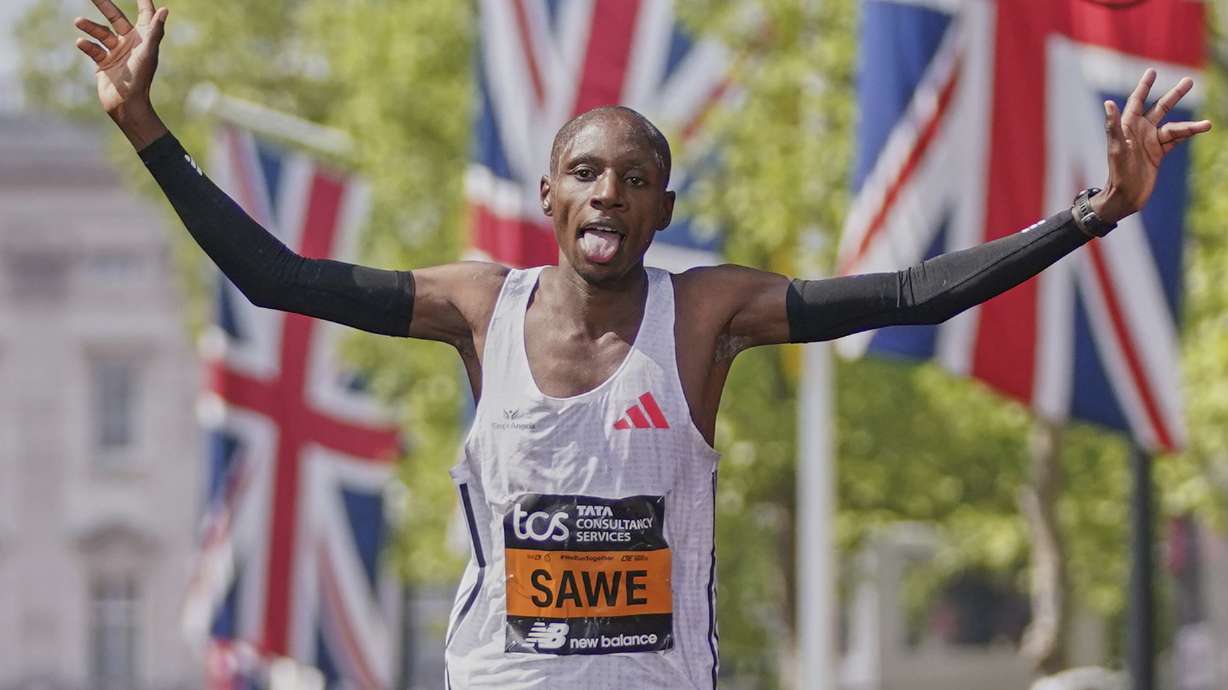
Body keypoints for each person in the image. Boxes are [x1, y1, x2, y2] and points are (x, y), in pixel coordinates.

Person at [73, 1, 1210, 687]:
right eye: (584, 173)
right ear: (546, 197)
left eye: (635, 178)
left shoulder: (707, 315)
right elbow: (279, 281)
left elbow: (913, 292)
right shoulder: (479, 307)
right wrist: (149, 133)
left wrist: (1093, 213)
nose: (607, 192)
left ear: (663, 210)